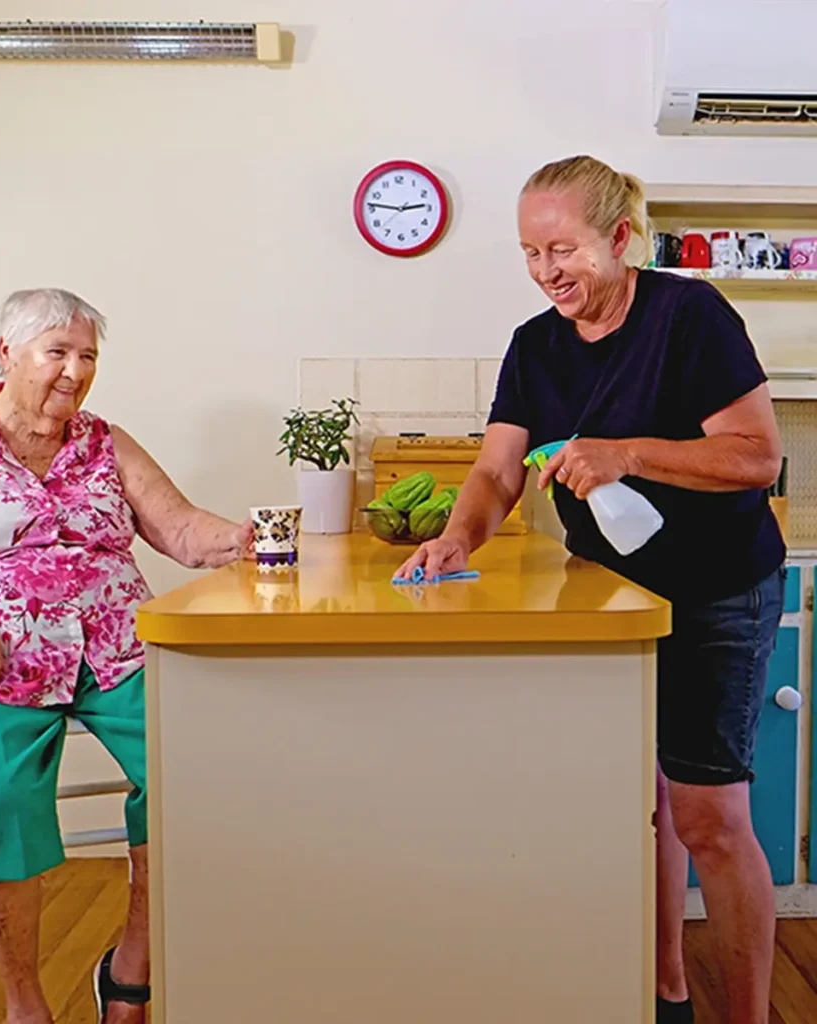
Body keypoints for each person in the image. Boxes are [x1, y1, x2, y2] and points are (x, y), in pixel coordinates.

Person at [396, 155, 785, 1024]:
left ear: (617, 238)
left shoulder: (690, 315)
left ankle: (752, 1015)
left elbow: (757, 456)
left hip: (720, 590)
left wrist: (628, 450)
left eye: (562, 249)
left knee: (708, 818)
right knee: (632, 805)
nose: (547, 272)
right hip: (612, 594)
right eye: (532, 255)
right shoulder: (536, 345)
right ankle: (664, 990)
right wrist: (457, 535)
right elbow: (498, 470)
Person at [0, 288, 252, 1024]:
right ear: (6, 354)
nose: (74, 371)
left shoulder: (106, 442)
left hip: (117, 651)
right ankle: (26, 1004)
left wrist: (263, 536)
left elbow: (185, 531)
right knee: (1, 795)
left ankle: (129, 973)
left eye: (87, 355)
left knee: (194, 769)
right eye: (56, 352)